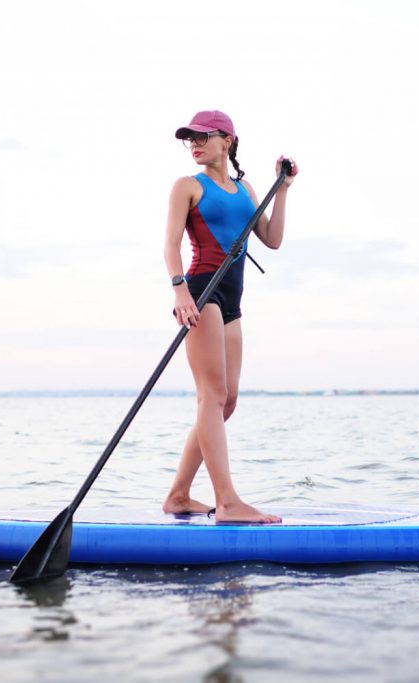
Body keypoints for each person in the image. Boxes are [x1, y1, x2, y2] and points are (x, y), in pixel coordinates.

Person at [162, 110, 297, 523]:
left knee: (228, 400)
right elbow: (169, 247)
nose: (195, 144)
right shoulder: (187, 186)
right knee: (211, 395)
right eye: (190, 139)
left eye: (203, 136)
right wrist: (180, 290)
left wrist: (284, 189)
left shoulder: (246, 190)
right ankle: (227, 501)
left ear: (227, 140)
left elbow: (271, 240)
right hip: (202, 291)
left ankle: (180, 495)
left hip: (233, 297)